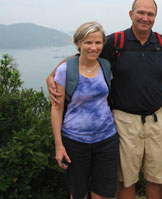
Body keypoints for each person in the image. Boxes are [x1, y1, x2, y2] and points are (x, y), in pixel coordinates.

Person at [47, 0, 162, 199]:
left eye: (150, 14)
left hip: (157, 120)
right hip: (124, 120)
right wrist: (55, 73)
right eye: (140, 12)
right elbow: (86, 54)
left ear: (155, 17)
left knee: (156, 178)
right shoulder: (115, 42)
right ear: (131, 14)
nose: (145, 17)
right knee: (126, 179)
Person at [51, 21, 119, 199]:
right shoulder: (66, 70)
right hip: (75, 141)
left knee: (102, 194)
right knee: (78, 194)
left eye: (98, 43)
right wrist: (59, 146)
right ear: (78, 43)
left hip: (106, 139)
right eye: (88, 42)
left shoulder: (106, 66)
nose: (94, 47)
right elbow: (57, 108)